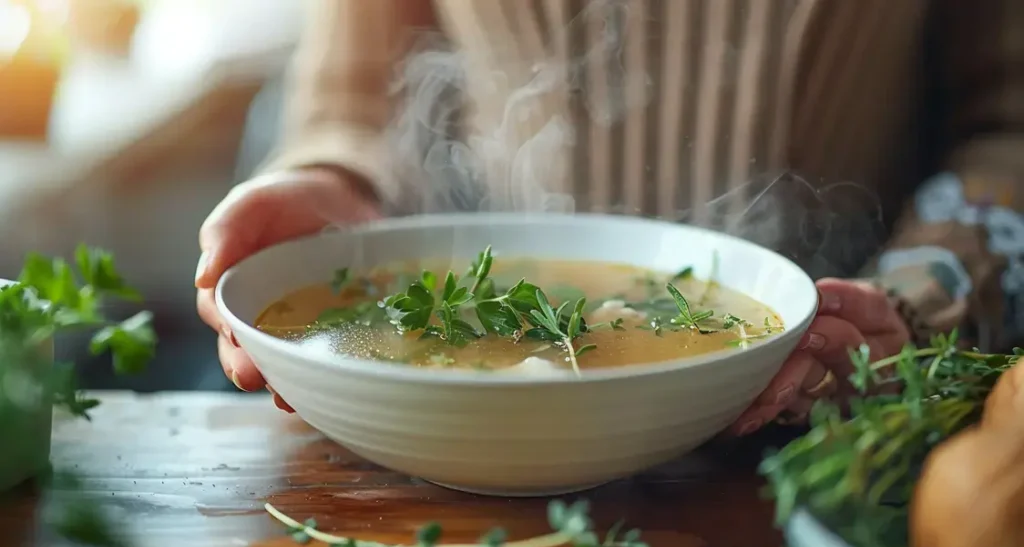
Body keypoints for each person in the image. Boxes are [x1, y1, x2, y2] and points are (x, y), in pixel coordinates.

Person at [195, 0, 1024, 434]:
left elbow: (1009, 122)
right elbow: (361, 91)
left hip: (824, 417)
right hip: (438, 428)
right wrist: (329, 181)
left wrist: (918, 298)